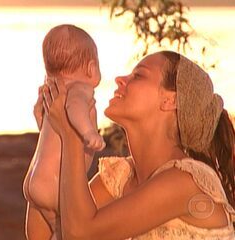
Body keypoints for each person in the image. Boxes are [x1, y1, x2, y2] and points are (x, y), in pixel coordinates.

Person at [43, 51, 235, 239]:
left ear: (170, 100)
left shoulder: (186, 180)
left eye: (138, 75)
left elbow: (80, 233)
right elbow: (45, 233)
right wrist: (50, 133)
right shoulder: (120, 178)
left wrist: (71, 135)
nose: (120, 79)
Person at [23, 24, 105, 240]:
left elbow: (45, 121)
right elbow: (75, 108)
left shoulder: (54, 90)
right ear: (91, 68)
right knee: (63, 230)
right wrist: (89, 132)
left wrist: (41, 122)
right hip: (55, 185)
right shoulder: (79, 89)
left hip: (34, 179)